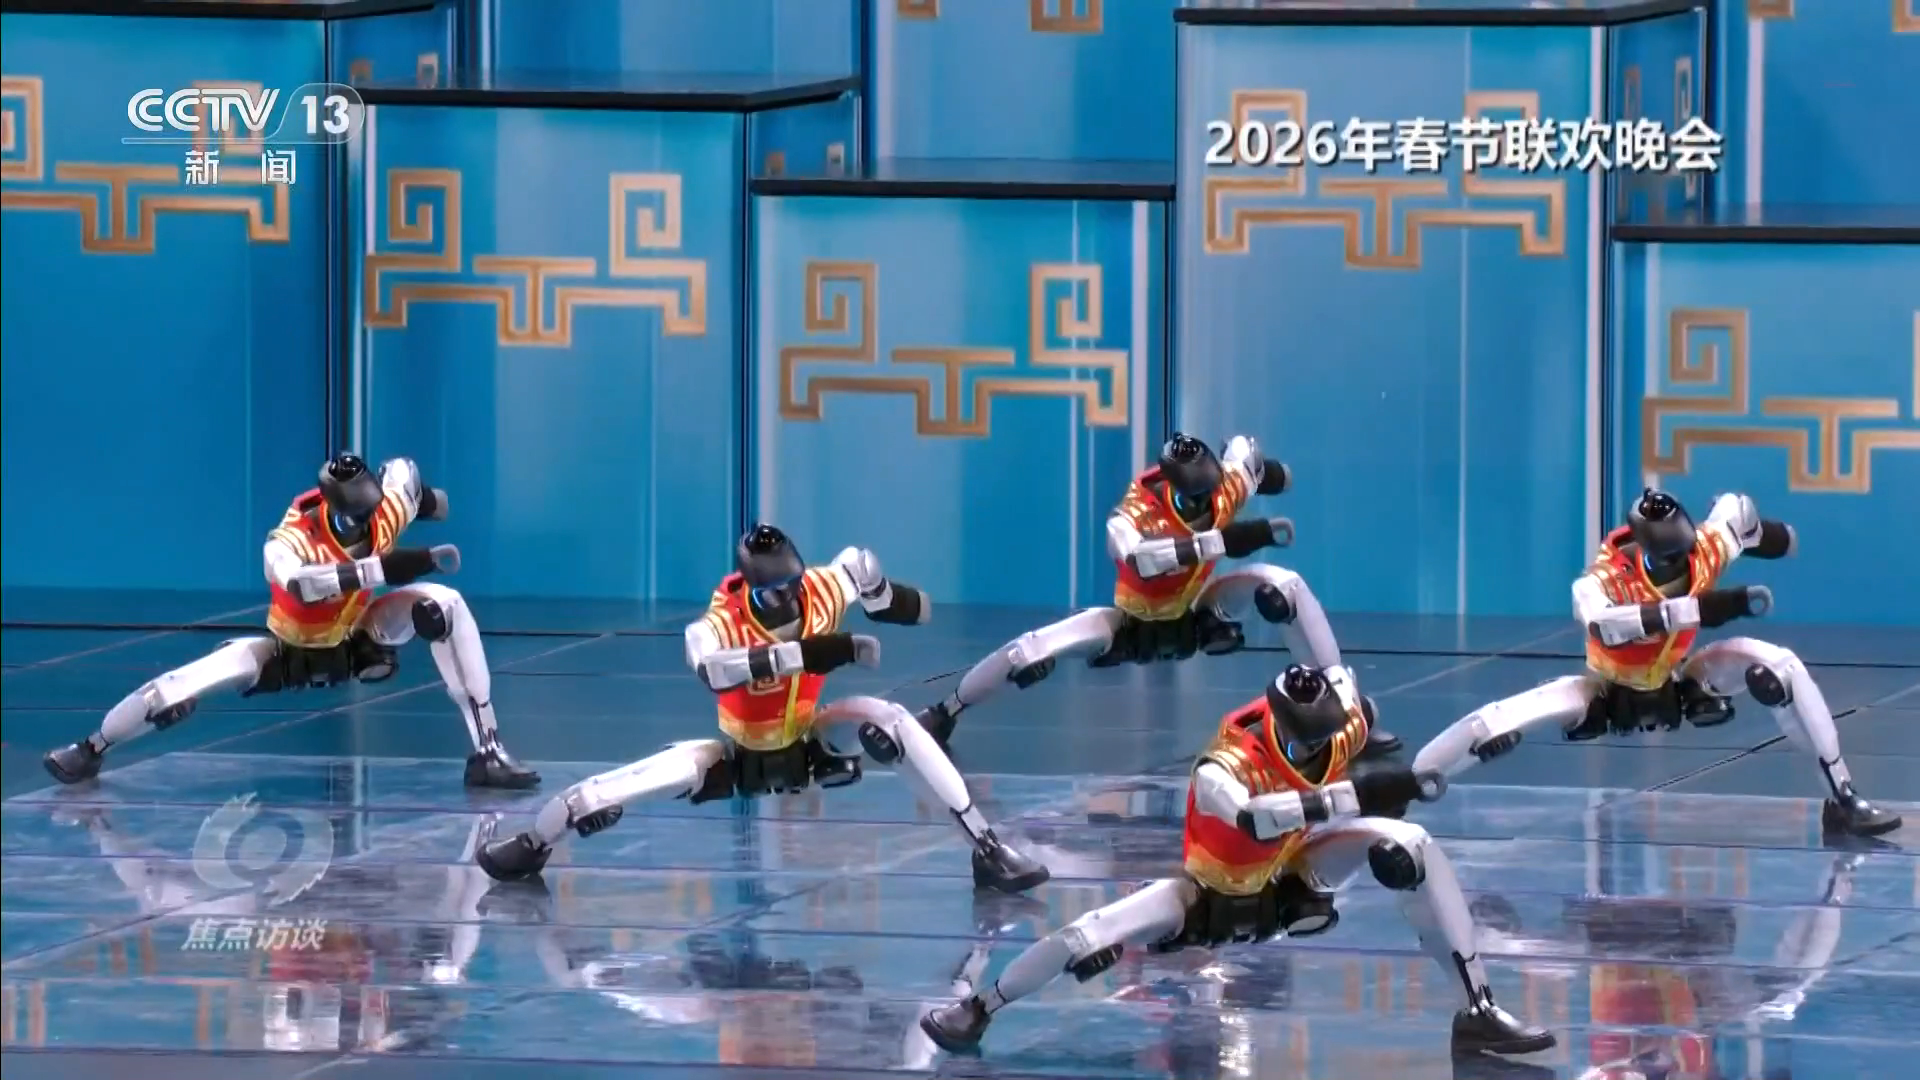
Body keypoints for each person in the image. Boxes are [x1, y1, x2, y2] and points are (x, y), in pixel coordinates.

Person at [918, 664, 1555, 1058]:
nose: (1319, 747)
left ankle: (1478, 1010)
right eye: (1307, 738)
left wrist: (1447, 763)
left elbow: (1381, 742)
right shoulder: (1226, 764)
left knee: (1411, 843)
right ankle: (979, 1007)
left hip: (1292, 877)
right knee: (1085, 936)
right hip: (1207, 896)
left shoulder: (1339, 731)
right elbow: (1256, 817)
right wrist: (1359, 793)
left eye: (1327, 736)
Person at [476, 524, 1049, 894]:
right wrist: (811, 653)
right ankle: (532, 844)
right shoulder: (720, 623)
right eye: (774, 592)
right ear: (749, 587)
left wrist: (901, 603)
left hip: (811, 738)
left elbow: (864, 578)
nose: (789, 598)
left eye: (792, 586)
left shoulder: (820, 589)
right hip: (737, 755)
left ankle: (987, 847)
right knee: (595, 797)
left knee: (894, 720)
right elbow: (711, 667)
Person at [1413, 488, 1899, 838]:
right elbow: (1603, 625)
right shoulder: (1603, 581)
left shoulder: (1704, 551)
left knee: (1781, 666)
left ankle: (1843, 798)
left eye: (1683, 555)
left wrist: (1779, 539)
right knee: (1493, 725)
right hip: (1605, 691)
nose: (1680, 565)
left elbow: (1738, 514)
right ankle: (1411, 784)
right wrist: (1690, 611)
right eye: (1668, 559)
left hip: (1682, 679)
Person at [44, 453, 536, 790]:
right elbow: (302, 584)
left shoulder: (382, 511)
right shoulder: (291, 539)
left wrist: (424, 500)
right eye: (353, 517)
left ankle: (488, 750)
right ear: (330, 506)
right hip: (287, 651)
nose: (364, 524)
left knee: (445, 604)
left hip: (360, 633)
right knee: (169, 692)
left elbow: (412, 486)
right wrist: (383, 568)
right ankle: (91, 748)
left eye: (370, 512)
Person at [919, 432, 1399, 760]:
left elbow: (1244, 453)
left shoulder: (1222, 490)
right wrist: (1224, 540)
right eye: (1191, 499)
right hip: (1131, 625)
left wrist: (1272, 474)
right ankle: (945, 713)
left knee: (1284, 586)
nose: (1202, 505)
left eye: (1207, 496)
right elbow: (1139, 557)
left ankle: (1347, 708)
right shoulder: (1136, 513)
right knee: (1027, 652)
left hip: (1199, 610)